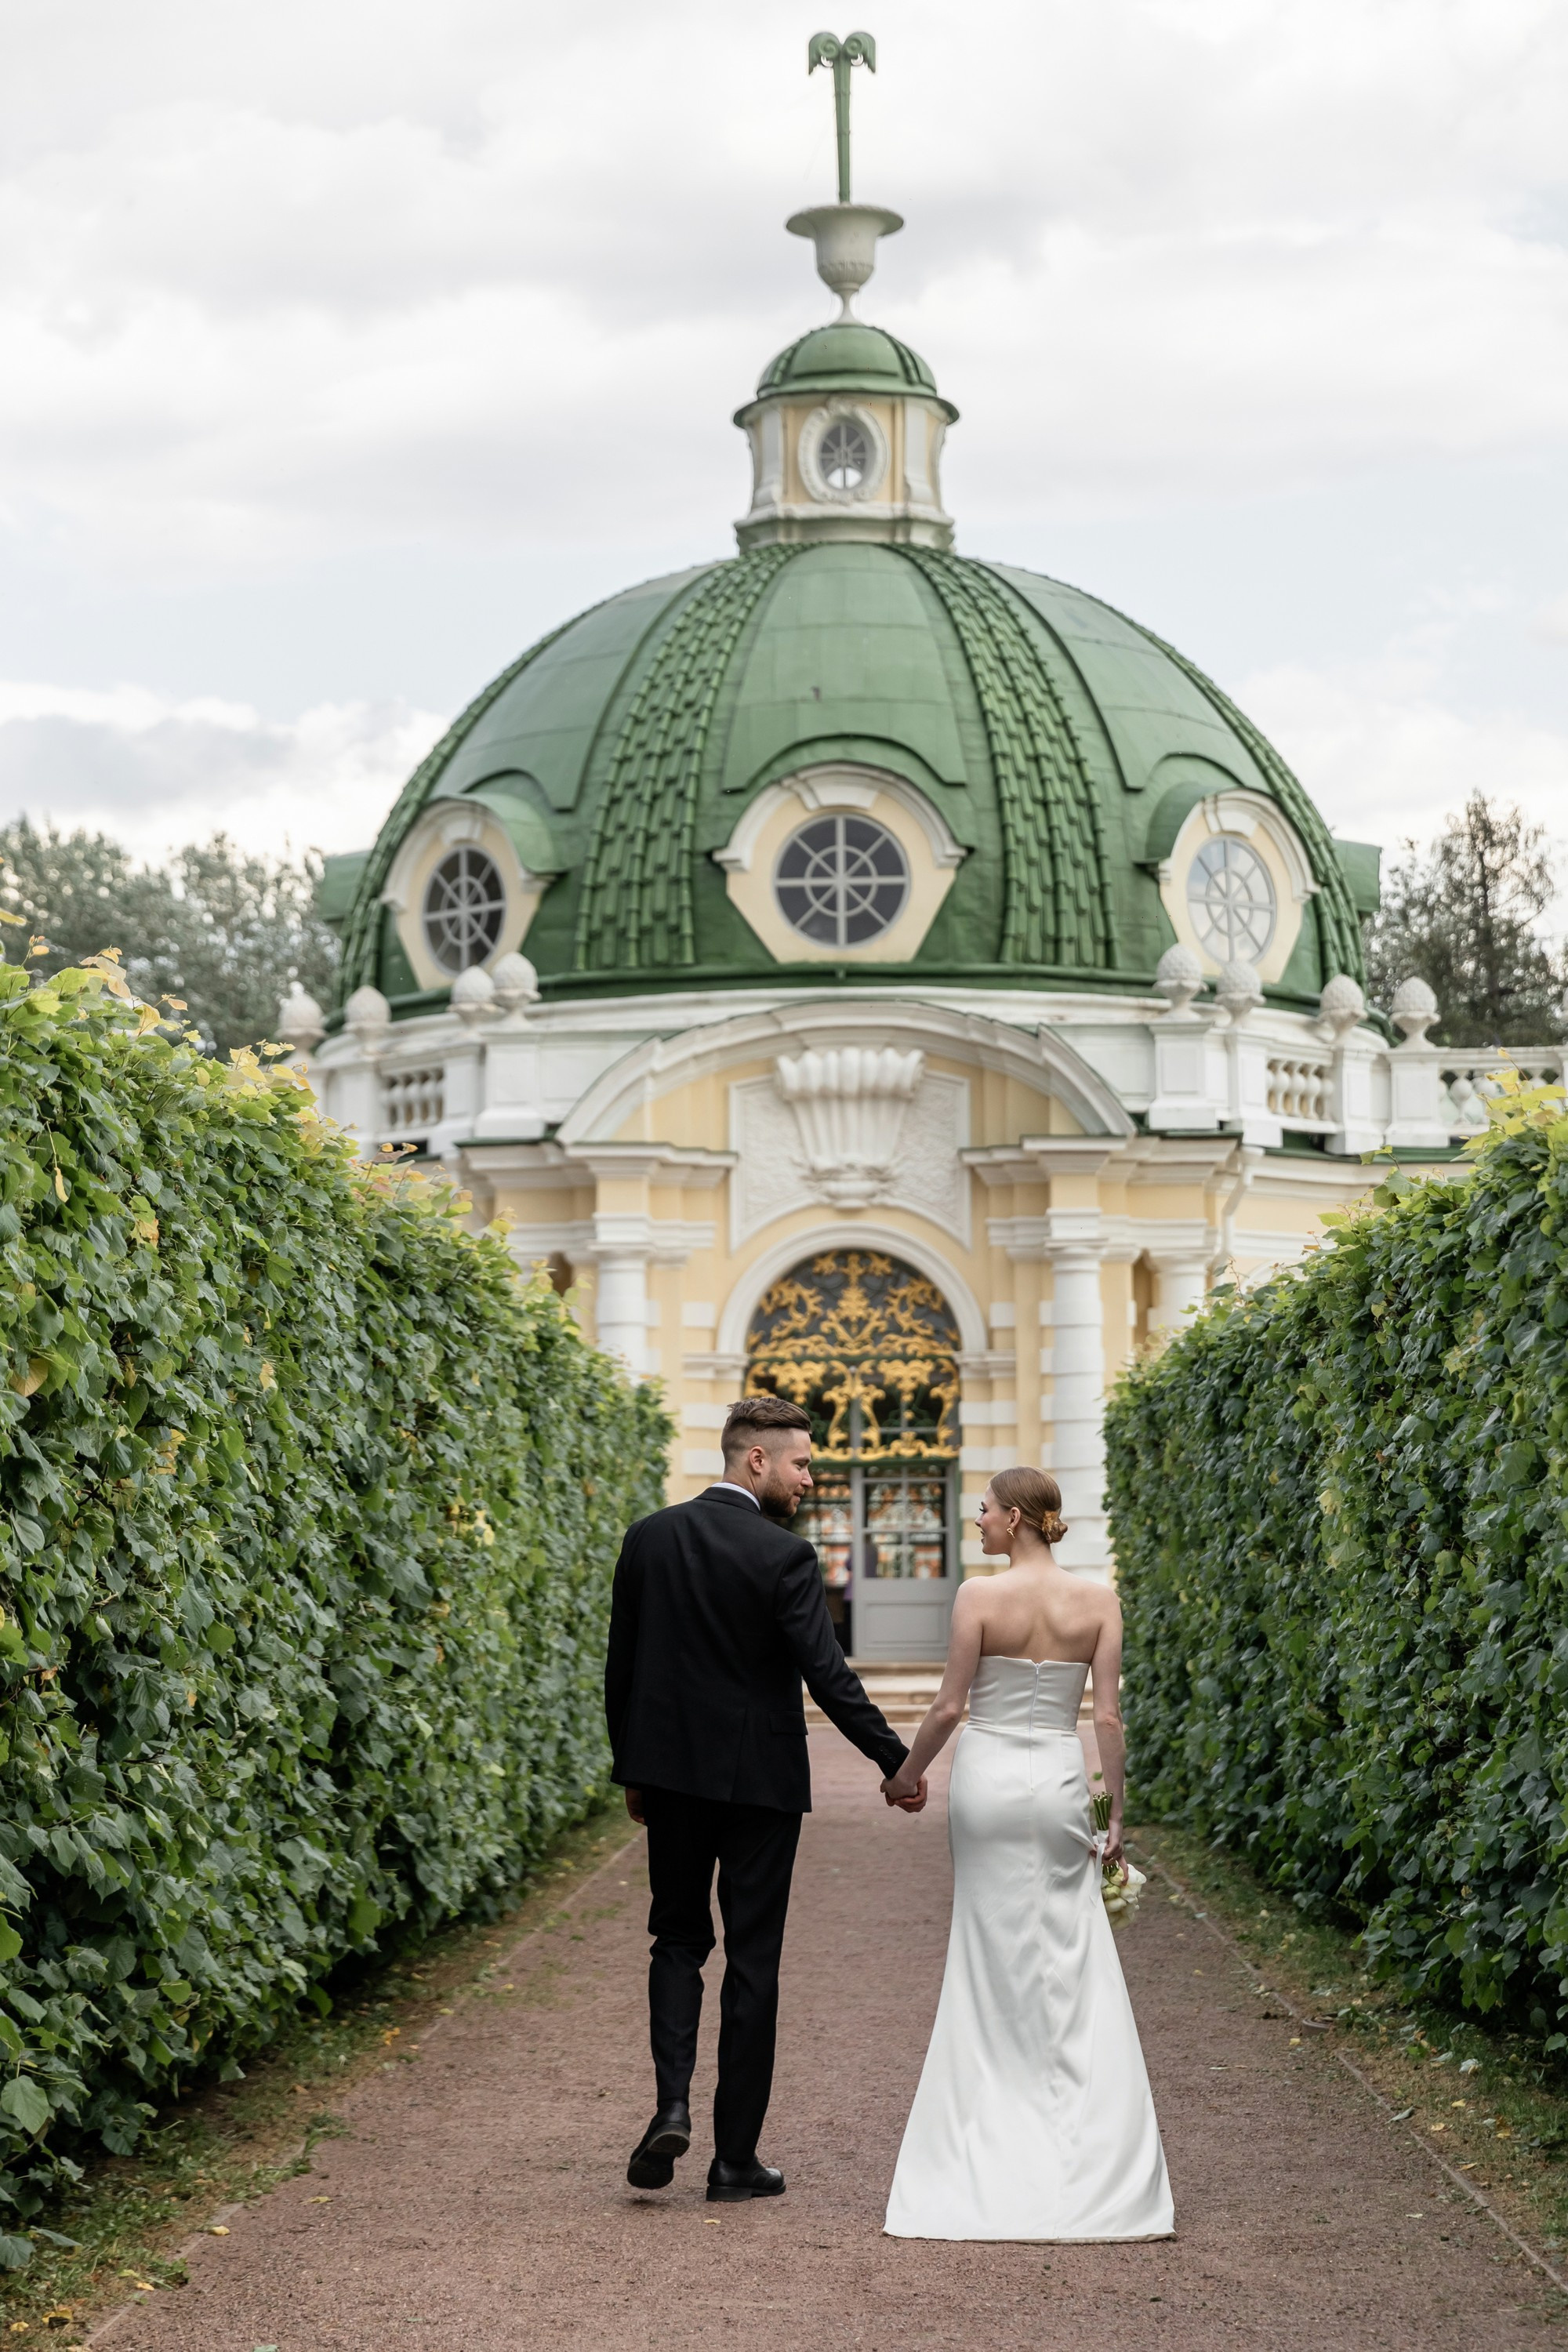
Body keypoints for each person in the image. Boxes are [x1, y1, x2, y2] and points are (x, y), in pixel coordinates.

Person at [605, 1395, 925, 2205]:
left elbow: (621, 1671)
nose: (809, 1480)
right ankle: (732, 2161)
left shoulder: (649, 1538)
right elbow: (828, 1676)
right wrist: (898, 1763)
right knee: (753, 1961)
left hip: (671, 1777)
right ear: (756, 1459)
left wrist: (634, 1772)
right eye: (801, 1463)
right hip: (760, 1785)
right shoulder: (782, 1556)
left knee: (676, 1941)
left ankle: (670, 2105)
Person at [881, 1467, 1174, 2241]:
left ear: (1013, 1518)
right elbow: (1105, 1719)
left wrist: (905, 1776)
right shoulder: (1098, 1600)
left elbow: (949, 1706)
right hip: (1052, 1776)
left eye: (981, 1511)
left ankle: (985, 2130)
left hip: (985, 1782)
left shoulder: (978, 1597)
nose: (974, 1522)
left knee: (984, 1951)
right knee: (1069, 1949)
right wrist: (1113, 1814)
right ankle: (1080, 2138)